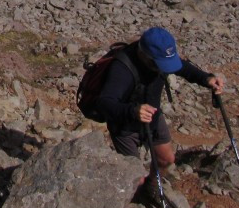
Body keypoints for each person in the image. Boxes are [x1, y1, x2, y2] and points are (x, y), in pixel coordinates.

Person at [96, 26, 224, 198]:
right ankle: (134, 201)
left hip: (153, 117)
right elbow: (104, 102)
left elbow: (182, 67)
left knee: (166, 159)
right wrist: (133, 111)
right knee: (135, 178)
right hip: (125, 127)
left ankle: (152, 186)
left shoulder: (158, 59)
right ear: (144, 55)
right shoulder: (122, 69)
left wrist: (206, 78)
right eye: (159, 64)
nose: (162, 68)